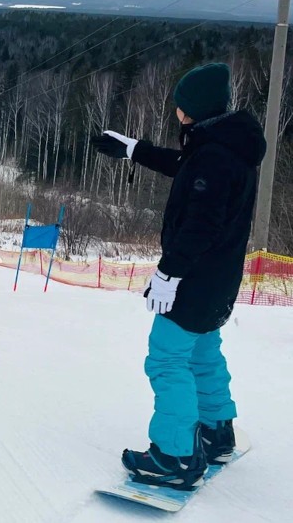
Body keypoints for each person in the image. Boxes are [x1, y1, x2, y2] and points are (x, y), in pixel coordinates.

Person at [92, 63, 266, 490]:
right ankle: (216, 431)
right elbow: (185, 166)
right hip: (219, 283)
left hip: (194, 280)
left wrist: (169, 274)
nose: (176, 112)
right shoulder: (226, 146)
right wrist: (134, 149)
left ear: (193, 110)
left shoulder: (214, 156)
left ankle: (175, 457)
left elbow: (200, 225)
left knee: (167, 359)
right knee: (203, 353)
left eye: (180, 105)